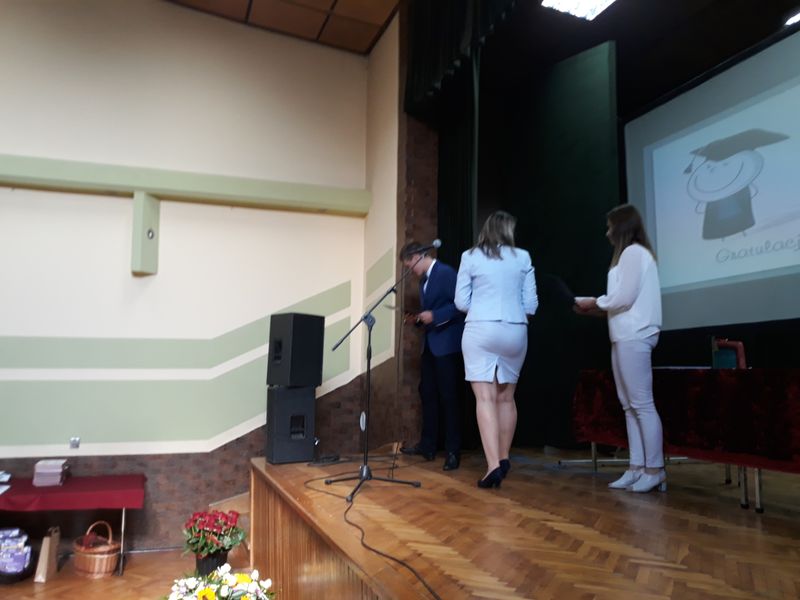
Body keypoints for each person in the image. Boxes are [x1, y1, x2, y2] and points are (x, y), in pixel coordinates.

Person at [575, 204, 665, 493]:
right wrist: (595, 307)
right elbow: (620, 299)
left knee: (642, 404)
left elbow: (623, 298)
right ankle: (636, 467)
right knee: (629, 405)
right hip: (624, 335)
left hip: (635, 335)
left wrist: (594, 302)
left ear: (622, 227)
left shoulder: (633, 253)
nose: (607, 232)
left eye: (610, 226)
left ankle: (654, 469)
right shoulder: (629, 255)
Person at [454, 211, 538, 488]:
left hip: (481, 327)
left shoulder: (470, 256)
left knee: (485, 398)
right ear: (509, 231)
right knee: (506, 398)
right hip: (515, 329)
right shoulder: (523, 257)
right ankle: (503, 457)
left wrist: (482, 308)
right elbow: (531, 305)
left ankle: (492, 466)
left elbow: (460, 302)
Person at [399, 241, 465, 471]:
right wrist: (418, 320)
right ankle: (428, 445)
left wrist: (435, 315)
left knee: (449, 397)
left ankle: (453, 451)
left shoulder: (446, 273)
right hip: (430, 345)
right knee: (427, 393)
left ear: (418, 256)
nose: (410, 270)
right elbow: (430, 314)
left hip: (447, 345)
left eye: (410, 265)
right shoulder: (423, 281)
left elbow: (462, 305)